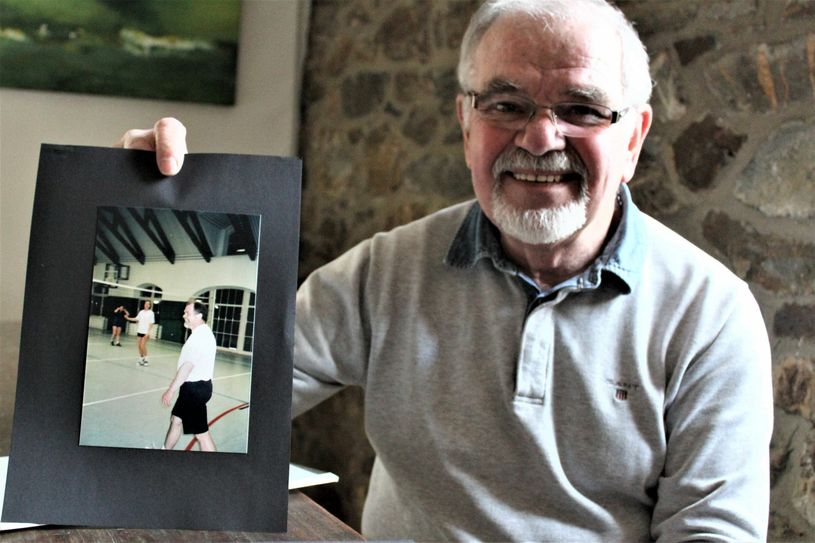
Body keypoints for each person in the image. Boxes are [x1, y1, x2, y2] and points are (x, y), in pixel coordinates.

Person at [116, 0, 773, 540]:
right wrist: (142, 207)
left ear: (632, 138)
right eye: (506, 104)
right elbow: (190, 407)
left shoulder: (711, 316)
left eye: (579, 108)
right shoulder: (383, 272)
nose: (539, 139)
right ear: (466, 124)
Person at [161, 300, 217, 452]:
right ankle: (164, 451)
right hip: (192, 388)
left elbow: (186, 368)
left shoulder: (199, 337)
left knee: (202, 435)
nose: (183, 315)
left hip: (195, 390)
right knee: (176, 420)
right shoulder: (202, 333)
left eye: (187, 313)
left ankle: (216, 468)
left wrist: (171, 390)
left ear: (199, 316)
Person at [125, 300, 155, 366]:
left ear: (149, 305)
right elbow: (136, 319)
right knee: (139, 346)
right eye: (145, 304)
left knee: (142, 346)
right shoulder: (141, 312)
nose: (146, 305)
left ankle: (146, 359)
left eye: (148, 304)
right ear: (144, 305)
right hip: (139, 331)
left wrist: (148, 332)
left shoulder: (151, 313)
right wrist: (128, 318)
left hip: (145, 332)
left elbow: (151, 323)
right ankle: (141, 359)